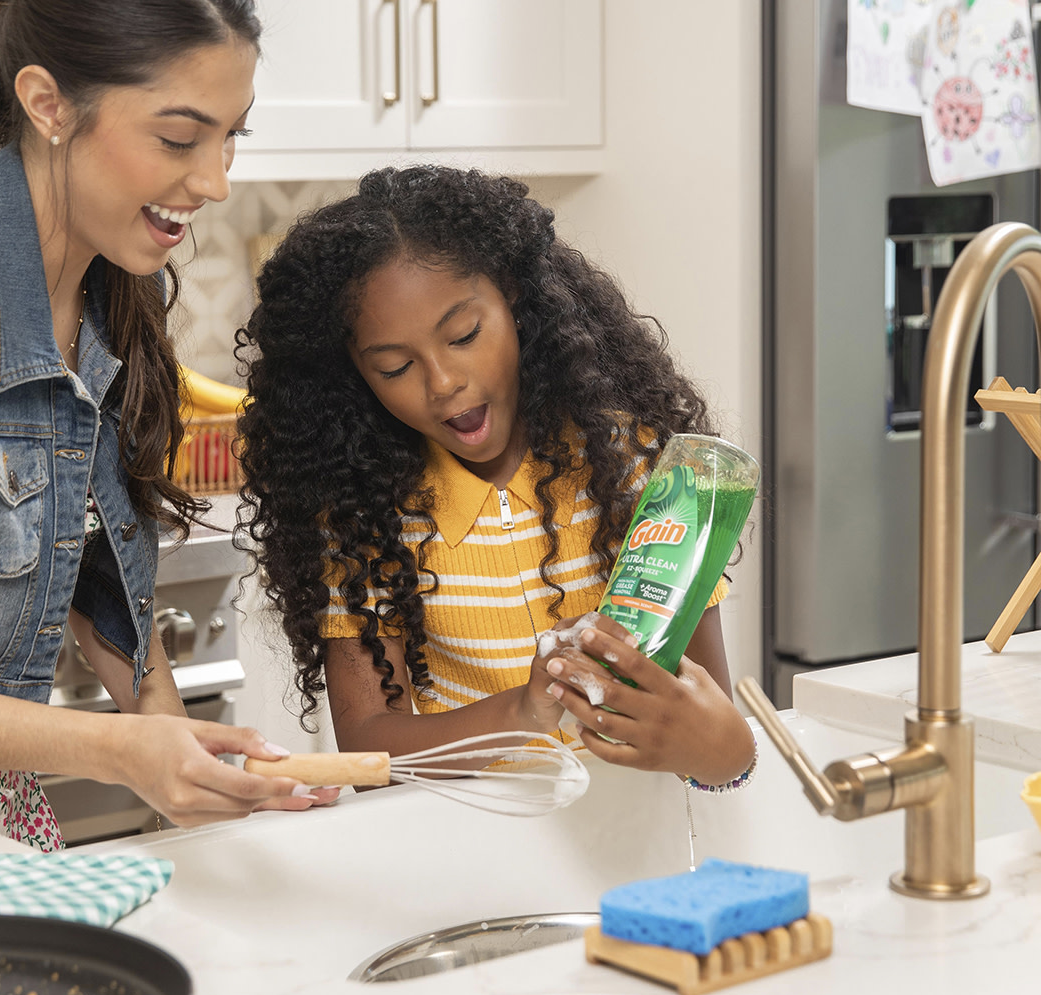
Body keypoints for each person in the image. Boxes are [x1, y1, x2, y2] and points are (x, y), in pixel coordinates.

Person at [0, 0, 338, 852]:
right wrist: (116, 749)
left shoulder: (109, 285)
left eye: (232, 137)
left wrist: (183, 755)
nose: (215, 180)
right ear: (49, 104)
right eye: (180, 139)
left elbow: (95, 572)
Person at [234, 165, 757, 789]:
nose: (442, 381)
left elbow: (711, 726)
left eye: (464, 336)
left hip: (635, 843)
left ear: (517, 300)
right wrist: (522, 711)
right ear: (353, 379)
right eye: (396, 367)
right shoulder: (360, 519)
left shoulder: (634, 469)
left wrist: (728, 752)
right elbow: (372, 742)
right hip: (472, 852)